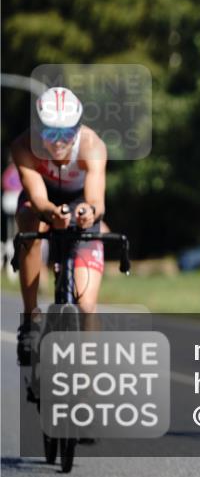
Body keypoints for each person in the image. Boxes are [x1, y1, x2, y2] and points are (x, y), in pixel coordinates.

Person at [11, 87, 110, 365]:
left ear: (77, 130)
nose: (57, 142)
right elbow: (37, 197)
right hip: (42, 201)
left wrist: (88, 213)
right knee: (30, 221)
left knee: (87, 306)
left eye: (65, 133)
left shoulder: (92, 146)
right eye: (49, 133)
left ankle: (88, 377)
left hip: (81, 202)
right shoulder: (23, 146)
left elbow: (96, 201)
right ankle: (31, 320)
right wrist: (51, 214)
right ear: (37, 129)